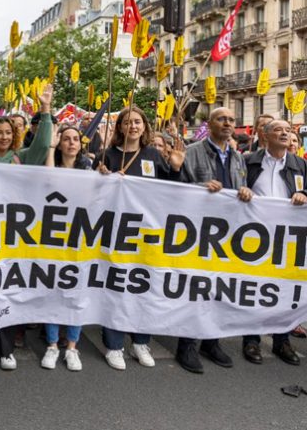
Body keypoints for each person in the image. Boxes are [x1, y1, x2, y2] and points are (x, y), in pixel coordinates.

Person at [97, 105, 184, 371]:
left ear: (145, 127)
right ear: (120, 127)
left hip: (147, 234)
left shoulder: (154, 156)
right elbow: (91, 194)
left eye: (137, 122)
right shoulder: (107, 156)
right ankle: (114, 345)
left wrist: (177, 169)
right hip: (115, 232)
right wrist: (103, 179)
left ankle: (140, 341)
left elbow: (172, 193)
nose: (133, 126)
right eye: (127, 122)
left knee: (142, 287)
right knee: (115, 288)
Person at [0, 84, 53, 371]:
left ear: (14, 135)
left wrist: (45, 110)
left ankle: (5, 349)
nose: (4, 137)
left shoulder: (22, 157)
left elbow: (44, 145)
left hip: (13, 235)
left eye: (8, 132)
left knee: (8, 291)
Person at [177, 106, 253, 374]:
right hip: (199, 231)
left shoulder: (238, 157)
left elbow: (239, 189)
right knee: (197, 289)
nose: (228, 123)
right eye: (222, 119)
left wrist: (245, 191)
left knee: (220, 289)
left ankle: (212, 341)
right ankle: (187, 345)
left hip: (228, 234)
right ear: (209, 124)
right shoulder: (193, 151)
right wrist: (201, 188)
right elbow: (177, 189)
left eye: (232, 120)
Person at [241, 119, 306, 366]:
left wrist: (303, 194)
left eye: (287, 131)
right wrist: (242, 190)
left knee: (283, 291)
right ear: (265, 136)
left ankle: (282, 341)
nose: (284, 134)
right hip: (254, 238)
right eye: (278, 130)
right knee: (254, 289)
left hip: (287, 240)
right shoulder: (249, 161)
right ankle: (251, 340)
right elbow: (234, 187)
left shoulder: (299, 165)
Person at [41, 124, 90, 371]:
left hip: (80, 238)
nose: (71, 143)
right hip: (53, 238)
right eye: (66, 139)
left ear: (81, 145)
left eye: (75, 139)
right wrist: (51, 145)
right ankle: (52, 345)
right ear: (60, 144)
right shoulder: (54, 164)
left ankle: (72, 347)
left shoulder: (89, 169)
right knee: (53, 291)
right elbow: (49, 177)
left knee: (76, 294)